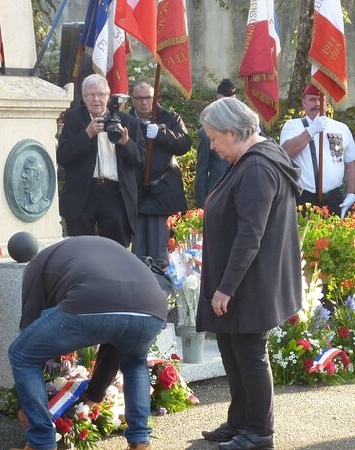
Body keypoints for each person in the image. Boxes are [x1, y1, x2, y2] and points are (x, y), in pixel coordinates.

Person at [196, 97, 302, 450]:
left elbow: (250, 234)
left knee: (250, 353)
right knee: (231, 346)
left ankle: (259, 432)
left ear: (233, 132)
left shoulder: (257, 168)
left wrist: (226, 287)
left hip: (249, 282)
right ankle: (239, 421)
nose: (212, 146)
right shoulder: (252, 159)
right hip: (245, 278)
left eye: (214, 138)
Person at [9, 236, 167, 450]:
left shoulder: (36, 265)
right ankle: (140, 441)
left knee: (21, 353)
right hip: (152, 308)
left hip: (89, 301)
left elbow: (30, 333)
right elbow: (114, 341)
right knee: (134, 363)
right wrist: (94, 394)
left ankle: (41, 443)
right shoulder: (101, 251)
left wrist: (24, 404)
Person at [56, 74, 144, 247]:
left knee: (115, 248)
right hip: (83, 192)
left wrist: (126, 143)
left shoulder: (128, 121)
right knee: (80, 248)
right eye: (90, 95)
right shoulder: (75, 118)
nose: (96, 99)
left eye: (100, 94)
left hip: (115, 194)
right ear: (83, 97)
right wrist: (87, 134)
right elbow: (63, 156)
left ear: (108, 95)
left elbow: (141, 160)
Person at [130, 81, 191, 262]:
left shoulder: (170, 118)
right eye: (139, 98)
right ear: (133, 100)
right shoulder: (127, 120)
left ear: (155, 98)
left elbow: (184, 144)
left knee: (160, 255)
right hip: (138, 193)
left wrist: (162, 134)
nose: (144, 102)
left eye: (148, 98)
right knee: (138, 255)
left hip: (163, 191)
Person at [280, 83, 355, 217]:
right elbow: (286, 152)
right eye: (312, 100)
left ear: (326, 102)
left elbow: (350, 163)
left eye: (320, 99)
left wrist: (351, 194)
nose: (317, 103)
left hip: (333, 197)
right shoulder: (292, 126)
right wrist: (310, 131)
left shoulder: (341, 128)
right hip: (303, 198)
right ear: (304, 103)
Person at [195, 79, 236, 207]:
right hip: (218, 194)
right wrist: (202, 206)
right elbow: (201, 172)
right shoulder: (206, 133)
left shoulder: (252, 128)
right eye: (219, 103)